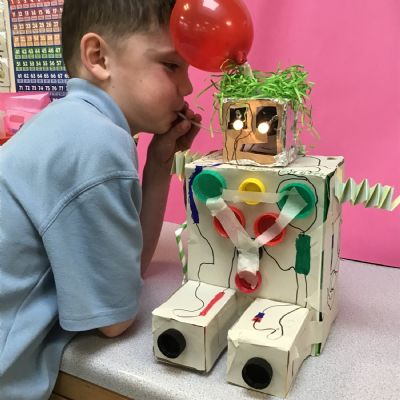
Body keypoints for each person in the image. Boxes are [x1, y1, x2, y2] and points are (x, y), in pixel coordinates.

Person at [0, 1, 201, 399]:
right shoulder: (95, 143)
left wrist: (159, 164)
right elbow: (114, 319)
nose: (188, 87)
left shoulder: (69, 121)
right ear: (98, 57)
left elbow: (127, 267)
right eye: (171, 66)